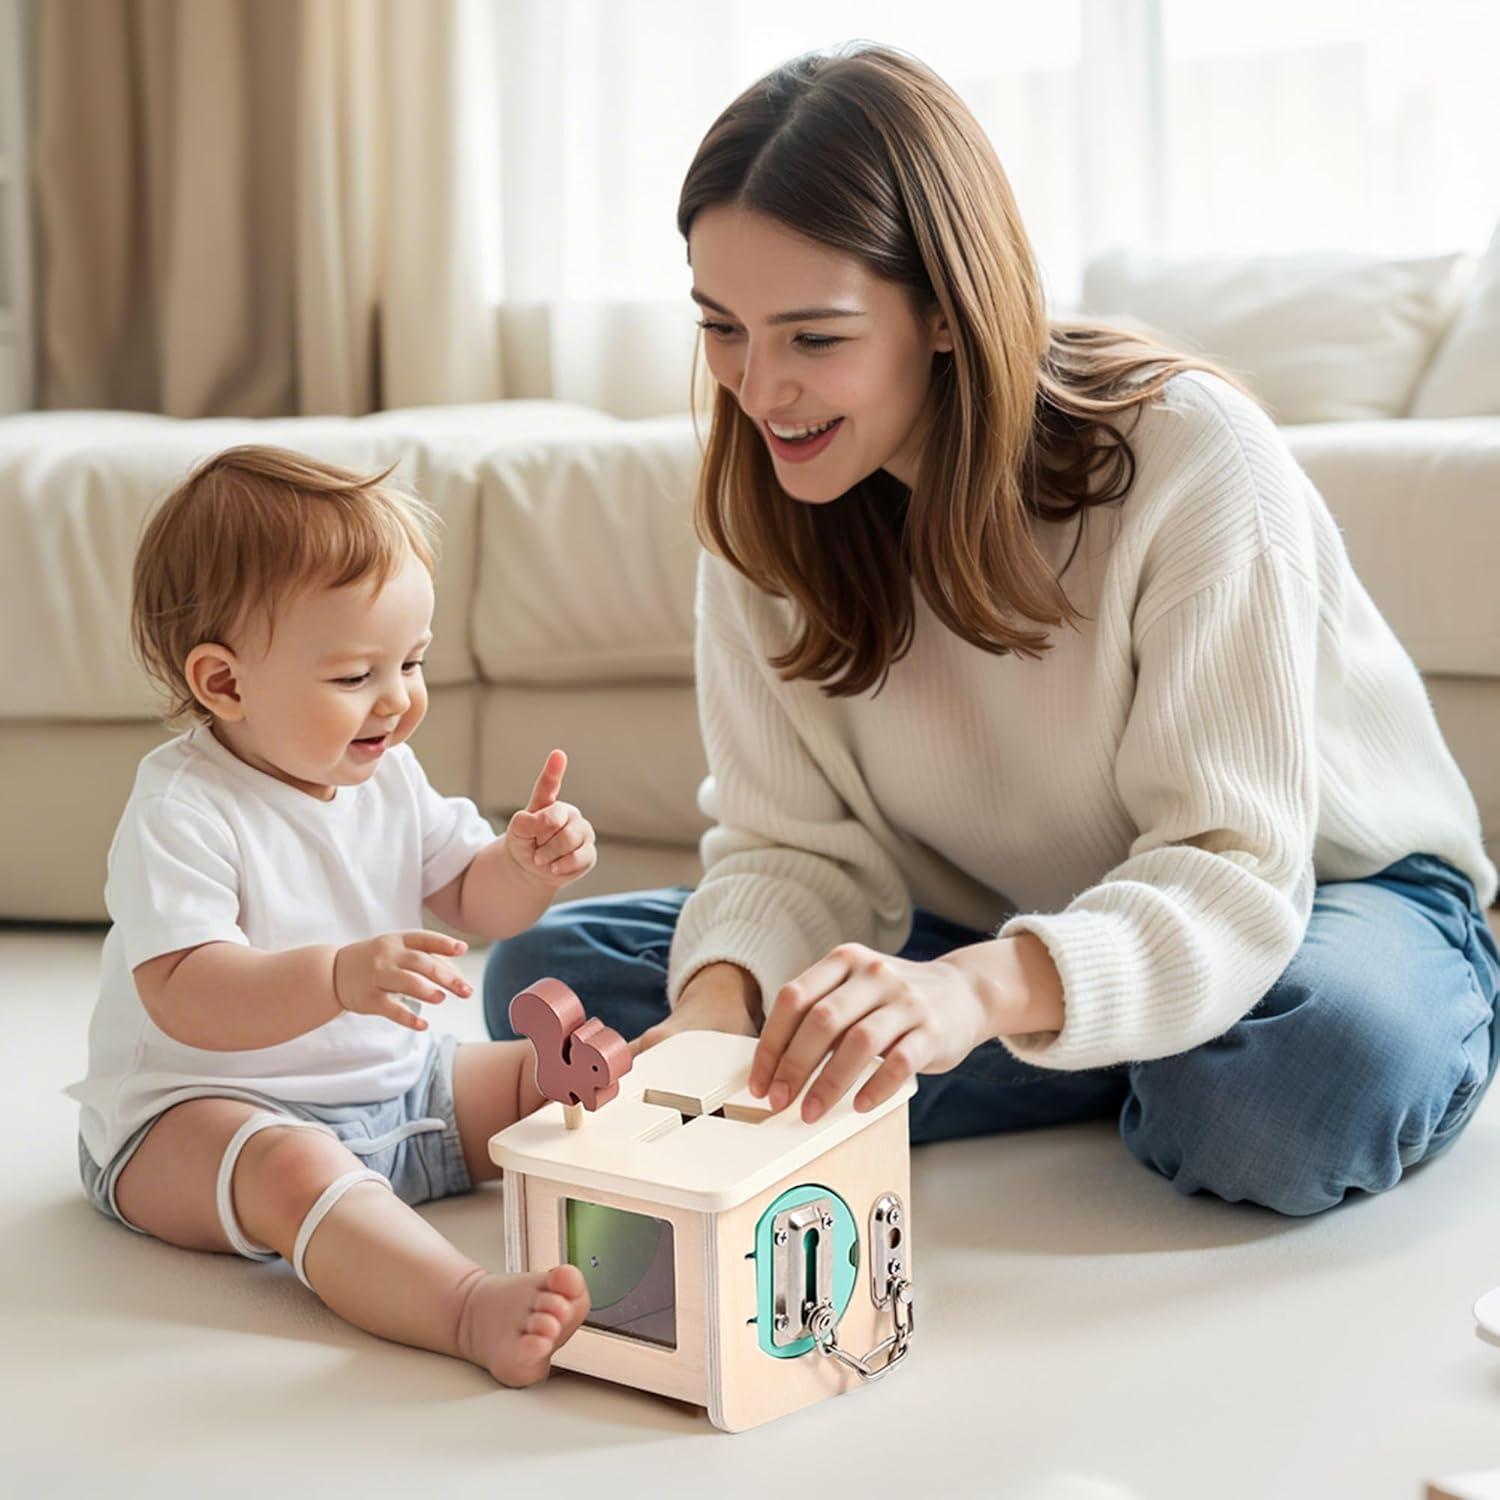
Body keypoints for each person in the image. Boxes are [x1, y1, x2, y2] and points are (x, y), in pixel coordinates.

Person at [485, 43, 1500, 1218]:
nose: (759, 392)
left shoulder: (1188, 456)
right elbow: (792, 848)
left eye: (814, 339)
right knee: (551, 983)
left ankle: (1084, 1023)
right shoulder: (763, 508)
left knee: (1297, 1081)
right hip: (983, 917)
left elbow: (1234, 867)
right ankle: (1098, 1027)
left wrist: (973, 992)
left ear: (947, 314)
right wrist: (714, 1018)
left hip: (1314, 895)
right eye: (724, 329)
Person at [70, 445, 595, 1386]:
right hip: (202, 1120)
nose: (397, 700)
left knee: (549, 1075)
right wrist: (339, 975)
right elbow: (187, 994)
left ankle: (667, 1163)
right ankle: (465, 1305)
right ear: (224, 683)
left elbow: (475, 900)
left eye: (413, 661)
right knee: (292, 1175)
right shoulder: (182, 808)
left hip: (401, 1094)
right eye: (356, 675)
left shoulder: (386, 770)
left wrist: (524, 865)